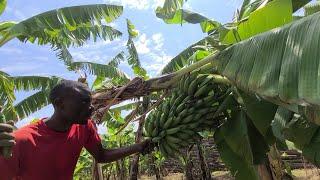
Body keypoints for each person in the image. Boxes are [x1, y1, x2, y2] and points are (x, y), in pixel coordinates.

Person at [0, 80, 152, 180]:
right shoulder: (21, 140)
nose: (91, 107)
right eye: (84, 102)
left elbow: (101, 155)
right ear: (60, 104)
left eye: (91, 102)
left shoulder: (85, 127)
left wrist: (139, 146)